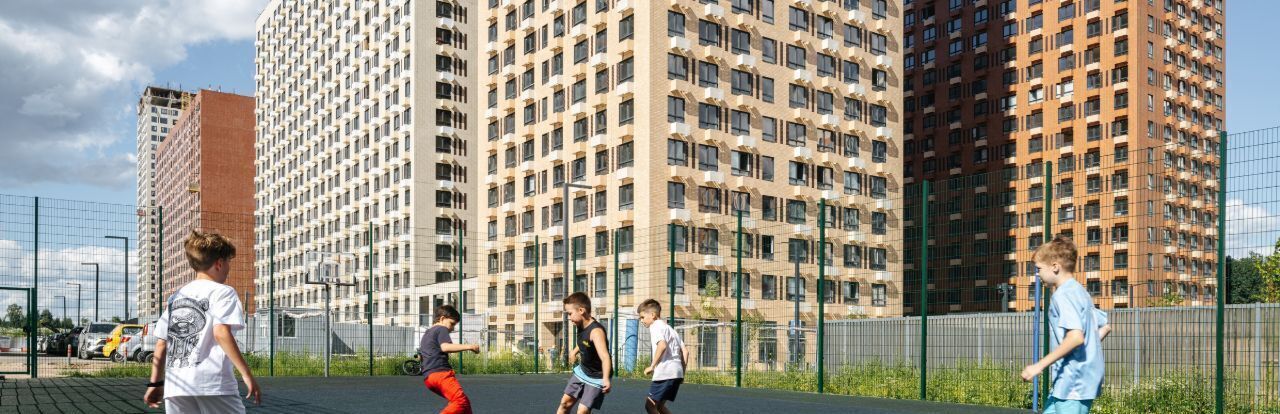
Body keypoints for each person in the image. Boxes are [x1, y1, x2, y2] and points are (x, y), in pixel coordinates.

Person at [143, 231, 261, 413]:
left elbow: (161, 344)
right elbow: (220, 332)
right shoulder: (224, 292)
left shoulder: (176, 297)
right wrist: (246, 374)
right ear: (219, 264)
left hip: (177, 387)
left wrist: (155, 383)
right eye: (228, 262)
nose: (229, 267)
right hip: (213, 385)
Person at [1021, 236, 1110, 414]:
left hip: (1073, 383)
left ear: (1055, 267)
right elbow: (1105, 326)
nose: (1037, 275)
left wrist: (1039, 366)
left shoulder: (1063, 296)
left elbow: (1075, 337)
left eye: (1039, 269)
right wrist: (1088, 346)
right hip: (1069, 382)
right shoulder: (1080, 291)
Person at [419, 304, 480, 414]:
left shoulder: (427, 333)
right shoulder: (441, 328)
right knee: (460, 401)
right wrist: (469, 346)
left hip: (429, 378)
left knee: (465, 404)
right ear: (442, 319)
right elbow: (445, 347)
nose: (452, 328)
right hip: (440, 374)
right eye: (452, 324)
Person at [557, 292, 612, 414]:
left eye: (570, 313)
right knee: (565, 403)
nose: (569, 317)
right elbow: (584, 341)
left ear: (581, 310)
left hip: (597, 376)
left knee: (582, 411)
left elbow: (605, 356)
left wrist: (606, 379)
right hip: (583, 371)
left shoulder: (596, 332)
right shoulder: (581, 324)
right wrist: (574, 351)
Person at [637, 299, 688, 414]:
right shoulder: (671, 330)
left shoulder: (655, 326)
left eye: (642, 317)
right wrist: (682, 374)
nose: (641, 320)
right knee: (659, 406)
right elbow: (685, 352)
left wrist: (652, 366)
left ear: (653, 315)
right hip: (676, 373)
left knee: (650, 405)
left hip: (665, 372)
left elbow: (662, 345)